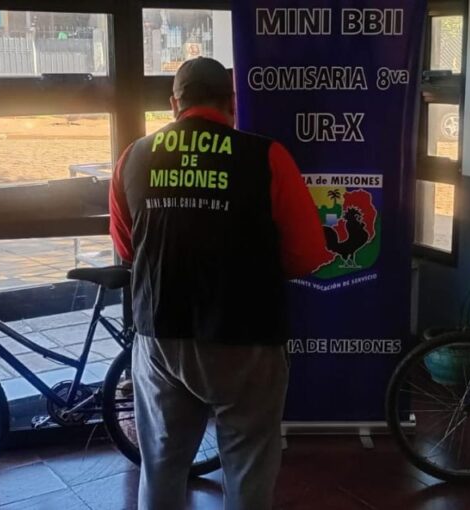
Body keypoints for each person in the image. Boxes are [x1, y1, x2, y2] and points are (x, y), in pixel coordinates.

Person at [109, 57, 329, 510]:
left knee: (161, 466)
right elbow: (308, 255)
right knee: (248, 466)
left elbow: (128, 250)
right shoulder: (267, 156)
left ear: (174, 104)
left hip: (161, 334)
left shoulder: (134, 157)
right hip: (247, 338)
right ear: (232, 102)